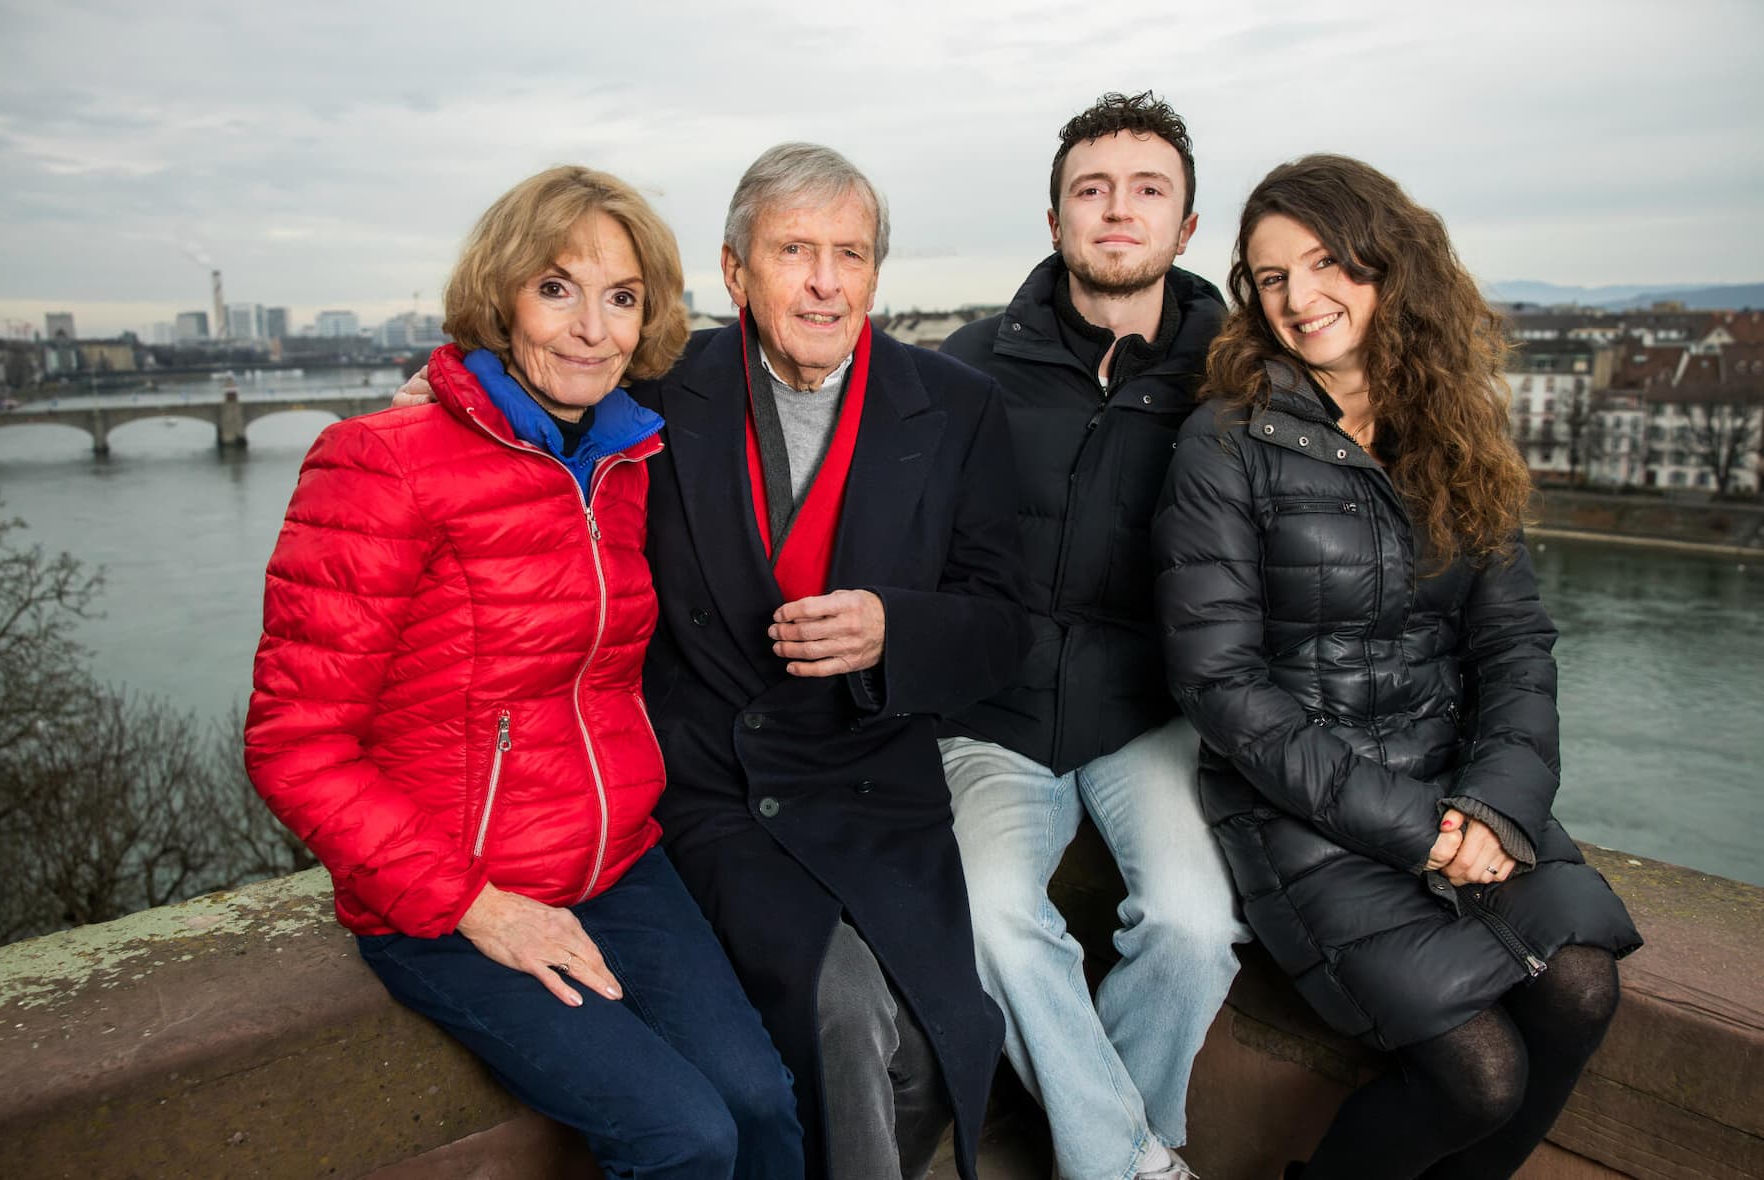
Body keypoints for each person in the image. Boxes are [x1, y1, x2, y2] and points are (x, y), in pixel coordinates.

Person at [246, 165, 803, 1179]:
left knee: (763, 1106)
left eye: (622, 297)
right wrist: (474, 903)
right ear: (501, 296)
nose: (592, 327)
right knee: (686, 1135)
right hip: (450, 890)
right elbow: (294, 743)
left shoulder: (627, 459)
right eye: (557, 287)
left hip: (617, 862)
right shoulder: (382, 463)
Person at [1153, 154, 1642, 1180]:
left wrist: (1496, 808)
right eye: (1271, 277)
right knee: (1480, 1073)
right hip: (1302, 813)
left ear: (1390, 264)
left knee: (1585, 983)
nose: (1299, 298)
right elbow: (1224, 690)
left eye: (1326, 262)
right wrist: (1425, 833)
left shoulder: (1453, 425)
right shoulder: (1223, 441)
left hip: (1456, 784)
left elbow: (1514, 642)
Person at [638, 142, 1030, 1180]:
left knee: (948, 1051)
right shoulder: (653, 392)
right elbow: (531, 399)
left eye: (848, 254)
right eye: (794, 250)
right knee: (844, 1007)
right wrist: (446, 387)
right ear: (734, 272)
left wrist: (896, 630)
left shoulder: (953, 408)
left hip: (873, 780)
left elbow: (1004, 625)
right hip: (717, 786)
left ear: (874, 273)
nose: (823, 280)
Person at [935, 91, 1248, 1180]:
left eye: (1147, 190)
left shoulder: (1240, 378)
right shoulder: (966, 364)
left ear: (1187, 227)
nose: (1118, 211)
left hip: (1153, 712)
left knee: (1196, 928)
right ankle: (1133, 1162)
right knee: (985, 913)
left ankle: (1104, 1154)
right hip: (994, 710)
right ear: (1058, 216)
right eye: (1092, 190)